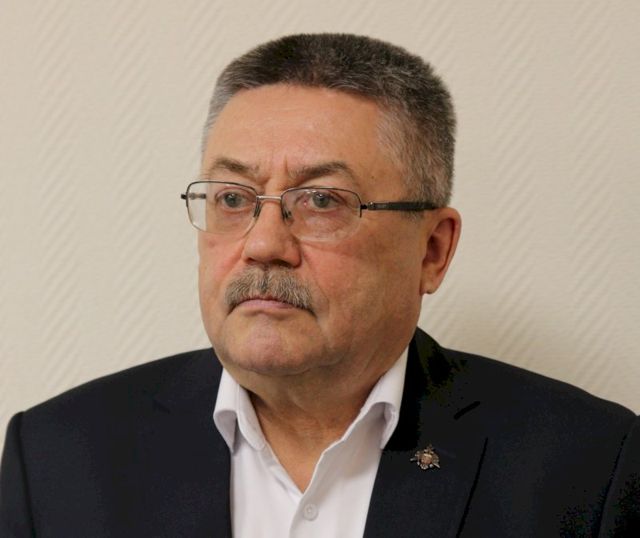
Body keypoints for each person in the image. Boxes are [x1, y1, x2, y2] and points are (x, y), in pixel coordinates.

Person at [1, 33, 638, 537]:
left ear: (432, 250)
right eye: (232, 198)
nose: (262, 244)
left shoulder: (589, 469)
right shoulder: (58, 455)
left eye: (322, 201)